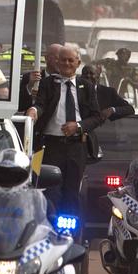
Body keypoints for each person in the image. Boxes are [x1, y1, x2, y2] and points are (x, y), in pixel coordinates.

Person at [27, 45, 103, 217]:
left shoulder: (86, 86)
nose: (67, 63)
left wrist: (78, 126)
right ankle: (48, 229)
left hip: (76, 147)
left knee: (72, 192)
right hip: (50, 147)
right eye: (63, 60)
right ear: (57, 62)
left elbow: (96, 117)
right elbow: (40, 104)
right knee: (49, 190)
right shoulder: (48, 84)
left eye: (71, 60)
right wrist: (34, 111)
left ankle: (69, 235)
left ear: (78, 63)